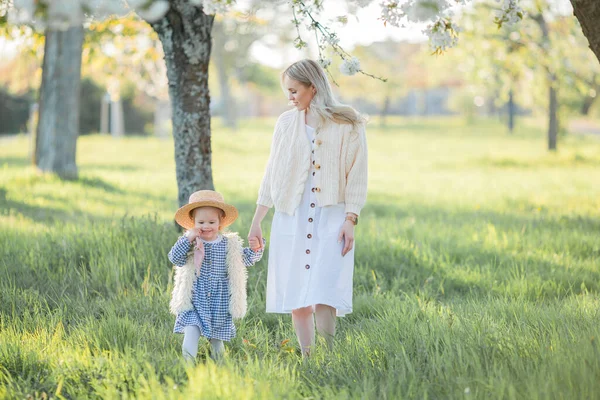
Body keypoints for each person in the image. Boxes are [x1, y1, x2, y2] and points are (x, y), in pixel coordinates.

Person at [248, 59, 368, 356]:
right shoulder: (286, 123)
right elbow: (272, 172)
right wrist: (257, 220)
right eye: (286, 91)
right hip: (292, 215)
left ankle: (328, 357)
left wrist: (350, 218)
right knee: (297, 289)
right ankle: (308, 357)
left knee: (325, 288)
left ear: (313, 87)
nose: (289, 97)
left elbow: (358, 173)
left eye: (293, 90)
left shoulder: (347, 122)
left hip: (331, 215)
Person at [168, 190, 264, 361]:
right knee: (191, 330)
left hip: (219, 298)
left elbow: (247, 259)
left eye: (212, 221)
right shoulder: (190, 243)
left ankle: (218, 366)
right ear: (193, 222)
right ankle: (187, 366)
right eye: (201, 222)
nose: (206, 226)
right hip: (195, 296)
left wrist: (256, 248)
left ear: (220, 222)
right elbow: (175, 258)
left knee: (216, 338)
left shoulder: (229, 244)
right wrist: (188, 238)